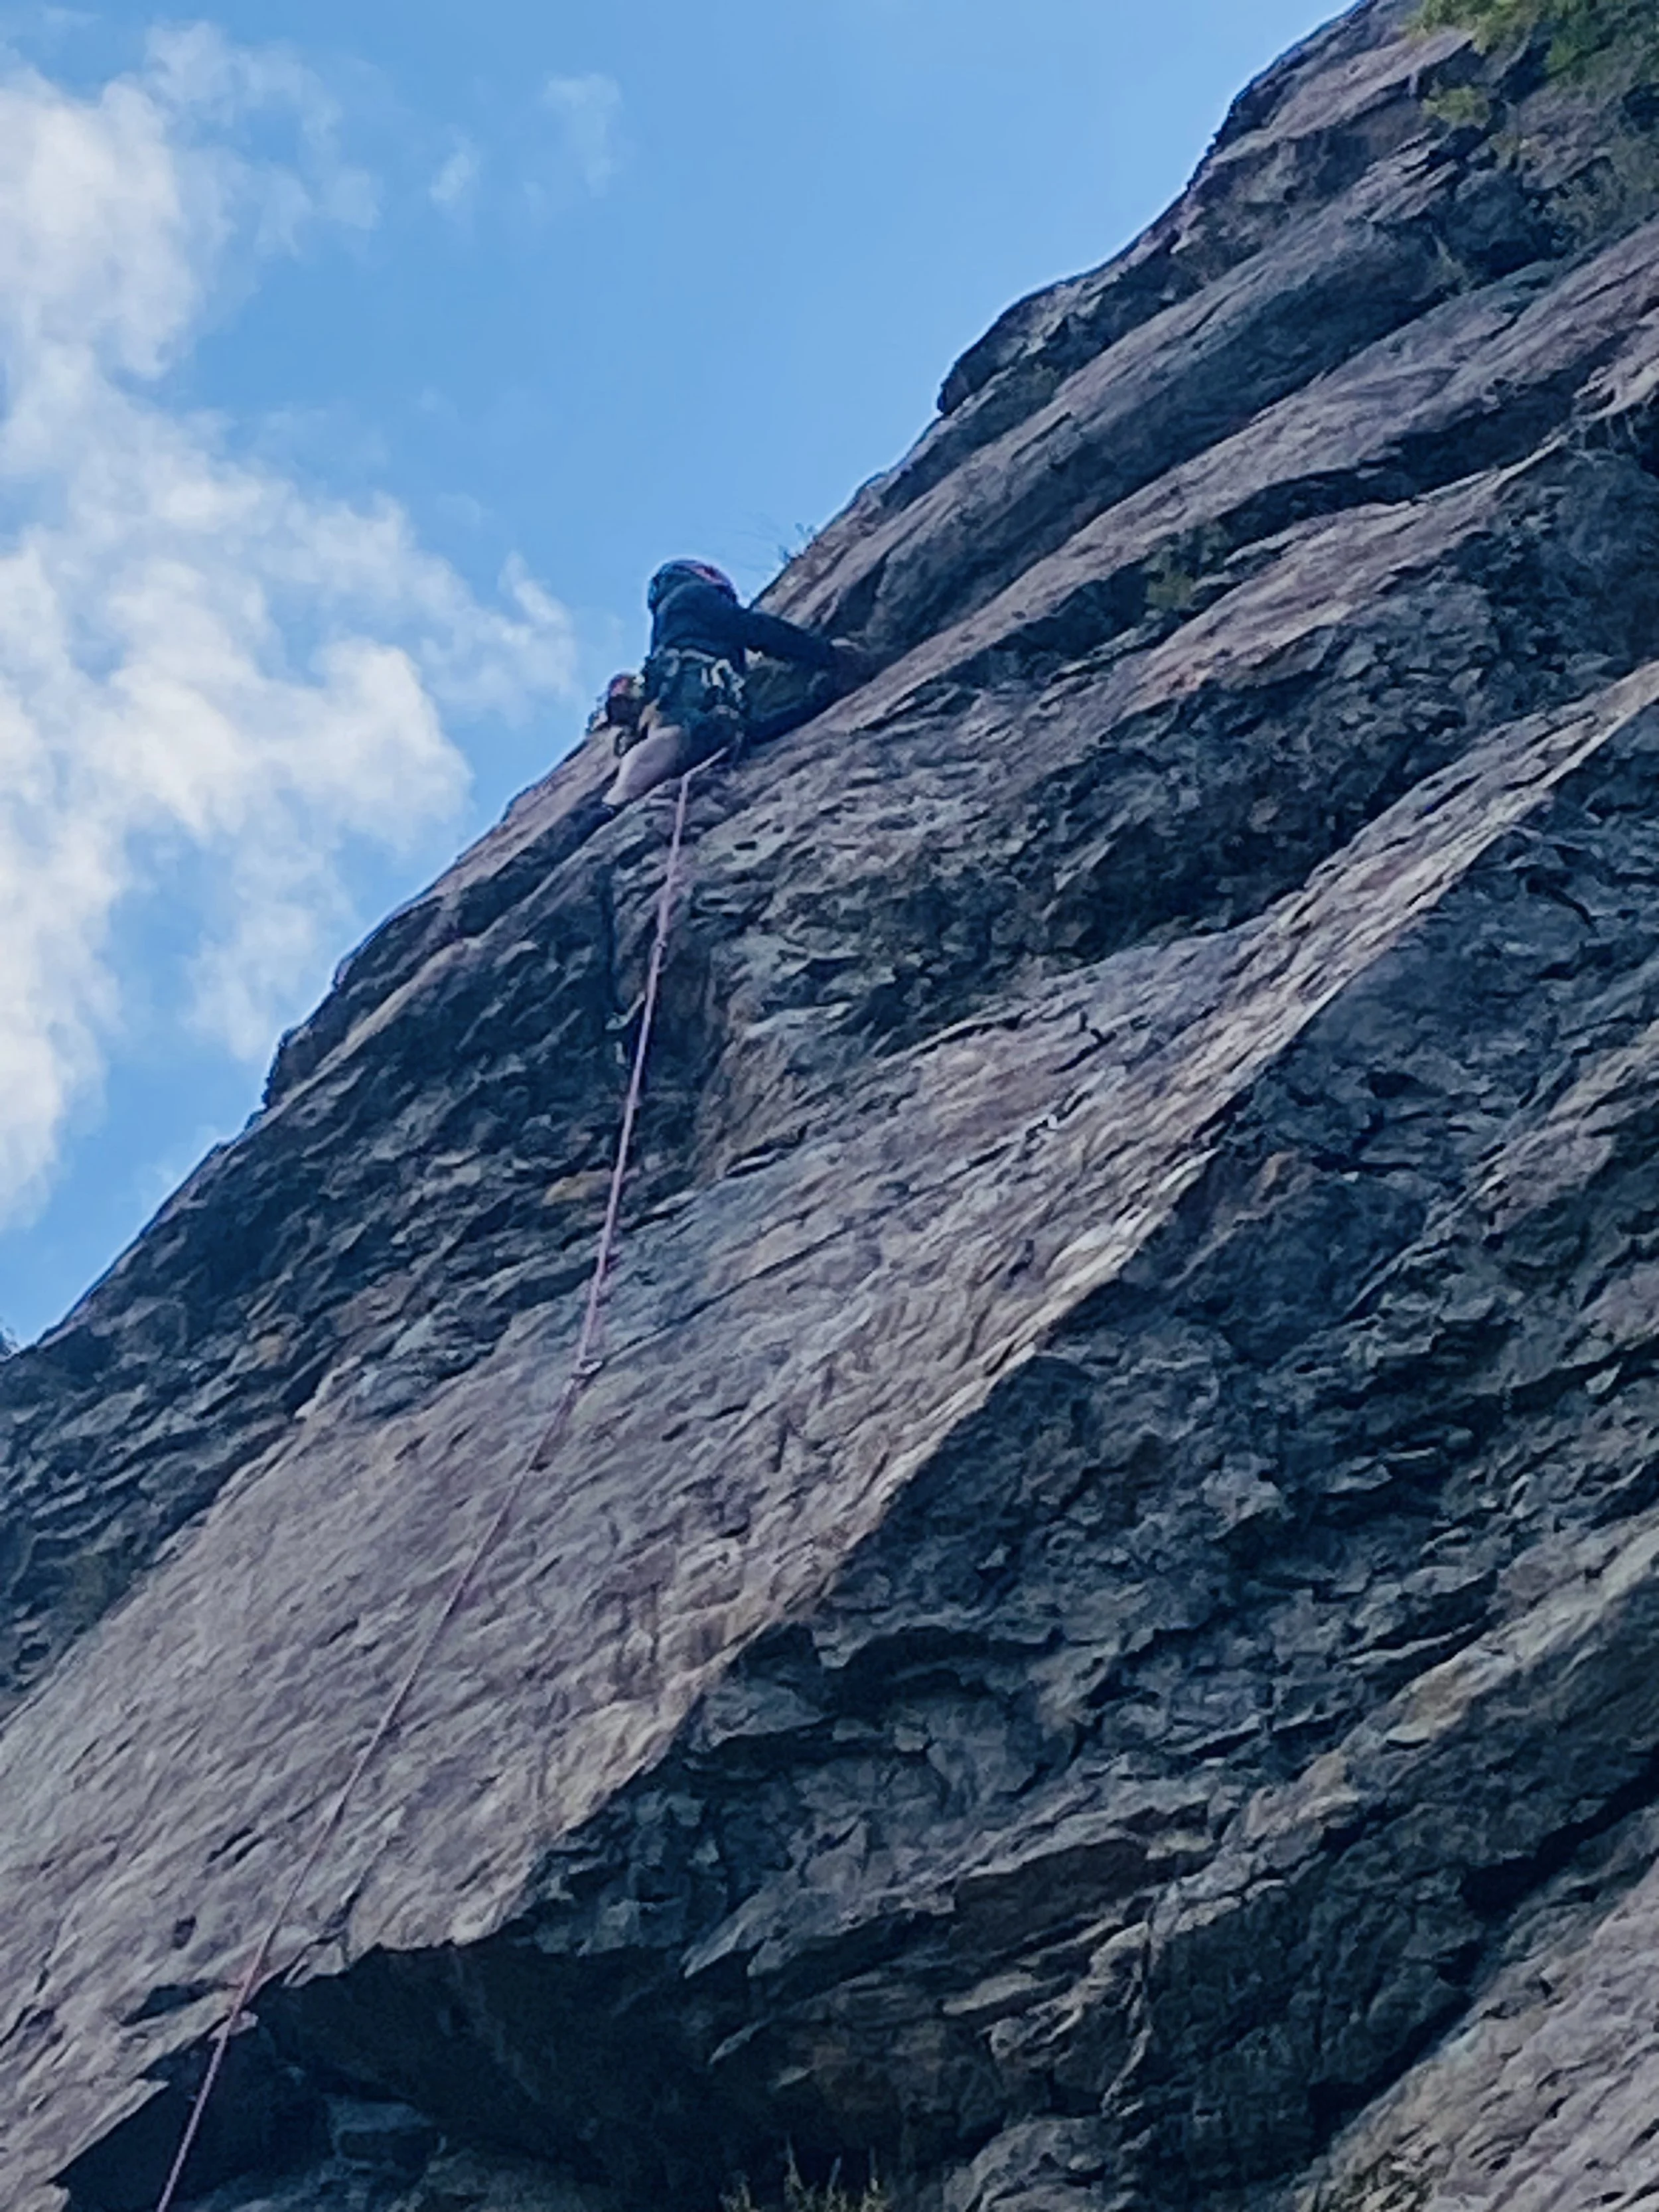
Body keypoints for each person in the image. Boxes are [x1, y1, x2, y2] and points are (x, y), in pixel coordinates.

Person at [601, 560, 868, 809]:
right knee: (678, 733)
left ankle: (624, 794)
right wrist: (824, 654)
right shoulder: (692, 595)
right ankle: (619, 798)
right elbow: (751, 628)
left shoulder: (670, 626)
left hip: (706, 706)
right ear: (706, 575)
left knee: (724, 732)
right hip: (693, 694)